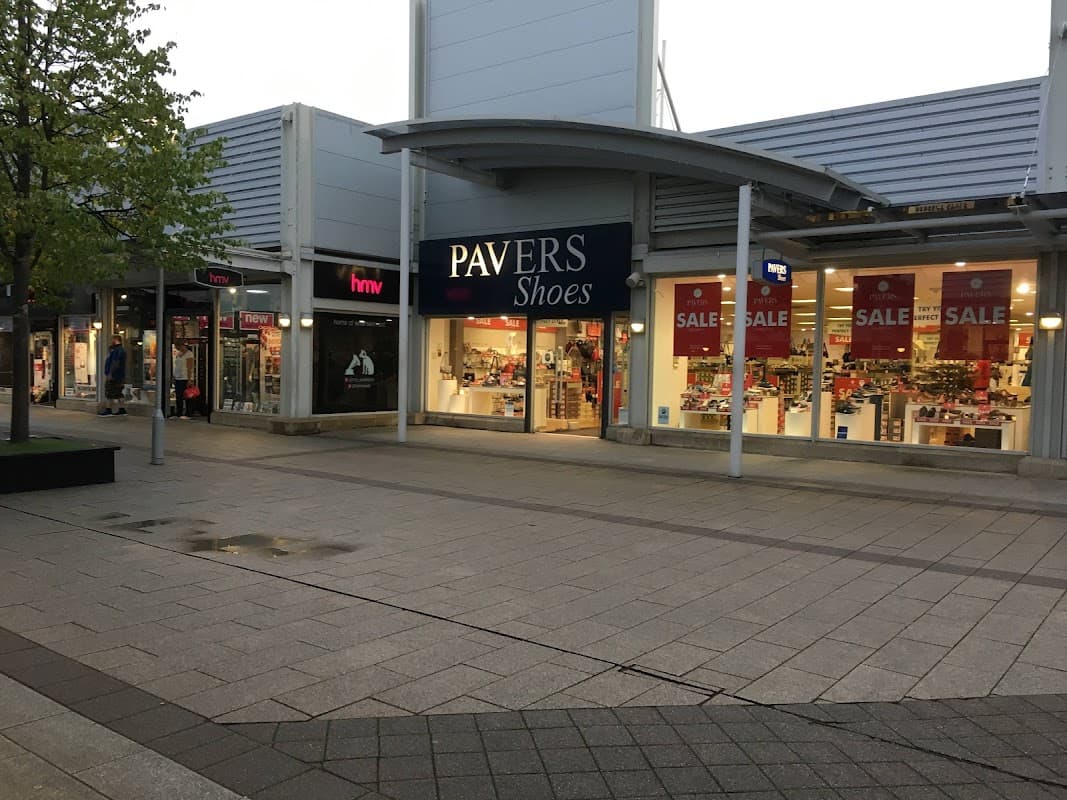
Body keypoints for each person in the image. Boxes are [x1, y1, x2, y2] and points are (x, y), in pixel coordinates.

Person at [100, 336, 127, 416]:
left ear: (116, 340)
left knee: (109, 392)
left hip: (114, 375)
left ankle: (108, 410)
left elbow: (115, 362)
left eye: (112, 339)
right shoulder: (120, 350)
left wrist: (110, 374)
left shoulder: (117, 350)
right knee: (118, 392)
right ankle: (122, 409)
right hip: (120, 375)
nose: (111, 341)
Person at [172, 341, 195, 419]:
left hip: (185, 378)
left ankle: (188, 413)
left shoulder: (189, 354)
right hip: (178, 377)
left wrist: (189, 379)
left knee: (188, 396)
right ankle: (179, 412)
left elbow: (189, 367)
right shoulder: (179, 354)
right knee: (179, 396)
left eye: (178, 347)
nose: (177, 348)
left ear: (183, 346)